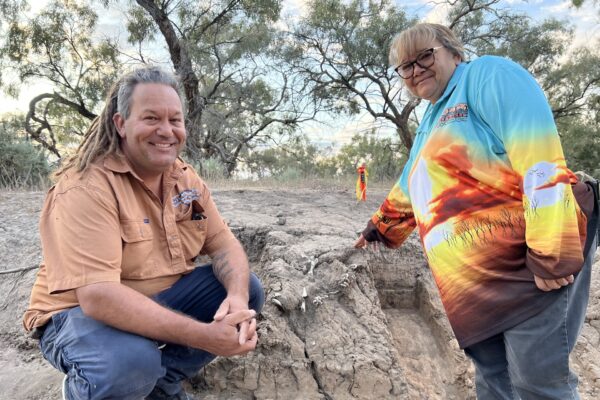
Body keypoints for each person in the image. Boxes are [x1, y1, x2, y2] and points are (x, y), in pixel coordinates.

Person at [354, 23, 598, 399]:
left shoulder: (491, 76)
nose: (415, 70)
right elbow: (412, 183)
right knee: (492, 378)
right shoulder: (431, 118)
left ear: (453, 51)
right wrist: (381, 227)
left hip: (525, 268)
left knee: (537, 382)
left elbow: (539, 157)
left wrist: (552, 252)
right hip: (473, 284)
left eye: (424, 56)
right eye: (405, 66)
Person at [23, 66, 265, 400]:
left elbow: (224, 244)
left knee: (248, 288)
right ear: (121, 124)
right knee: (130, 363)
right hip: (74, 315)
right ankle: (88, 388)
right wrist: (203, 335)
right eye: (151, 118)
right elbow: (98, 298)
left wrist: (236, 299)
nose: (166, 131)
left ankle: (160, 385)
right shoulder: (85, 187)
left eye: (175, 120)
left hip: (157, 297)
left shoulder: (186, 179)